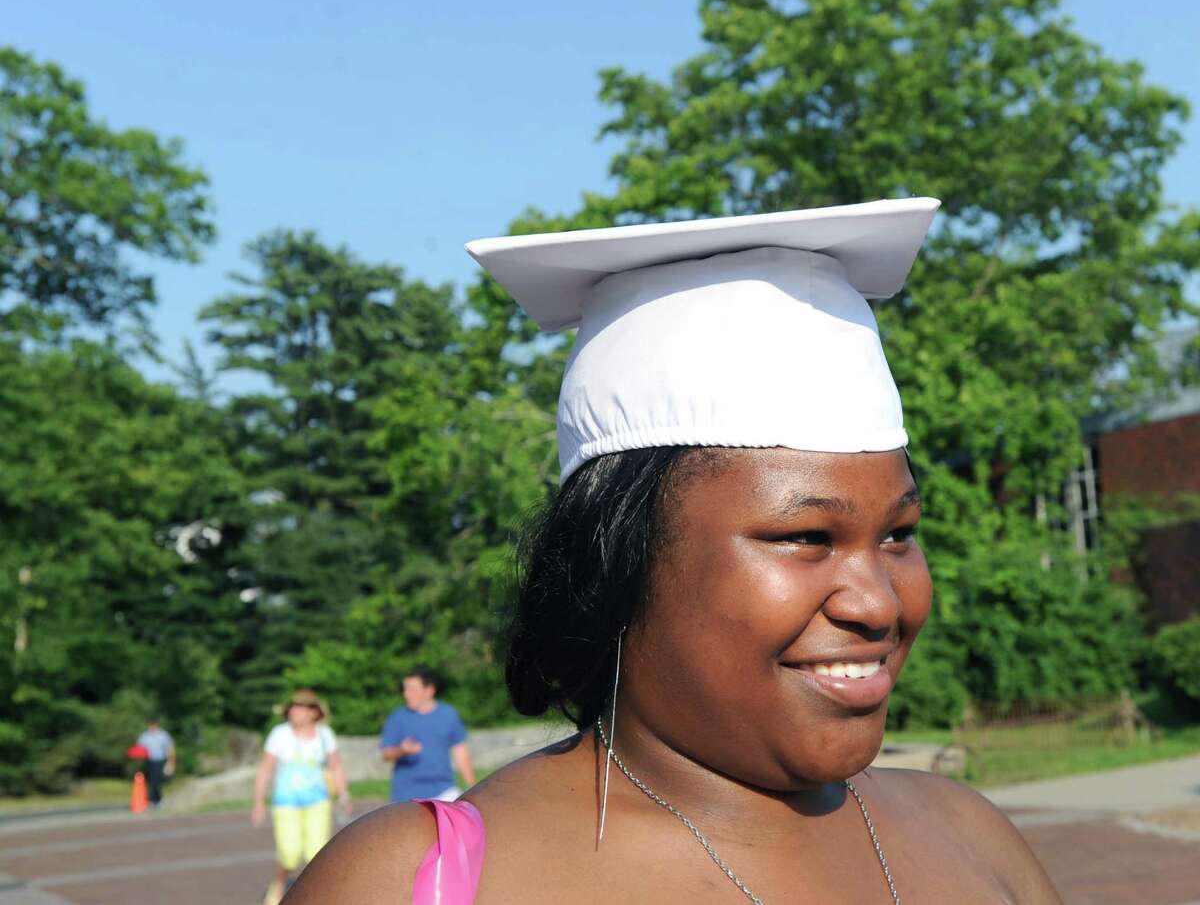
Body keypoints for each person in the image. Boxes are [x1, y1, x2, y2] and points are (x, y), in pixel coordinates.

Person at [287, 199, 1062, 903]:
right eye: (804, 538)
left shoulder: (971, 839)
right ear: (614, 562)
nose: (880, 603)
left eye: (897, 534)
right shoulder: (415, 880)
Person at [253, 688, 351, 905]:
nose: (293, 712)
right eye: (292, 708)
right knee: (289, 853)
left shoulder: (325, 734)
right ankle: (279, 882)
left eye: (299, 708)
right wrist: (258, 802)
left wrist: (344, 794)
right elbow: (265, 769)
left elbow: (336, 766)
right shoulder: (279, 734)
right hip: (285, 803)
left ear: (313, 712)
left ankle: (314, 895)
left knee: (316, 853)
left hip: (318, 801)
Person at [379, 667, 477, 803]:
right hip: (406, 796)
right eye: (405, 689)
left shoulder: (448, 714)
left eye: (412, 689)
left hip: (444, 791)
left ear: (429, 690)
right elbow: (386, 754)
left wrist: (471, 786)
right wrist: (401, 750)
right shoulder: (397, 718)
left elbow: (460, 752)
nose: (406, 694)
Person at [135, 718, 175, 808]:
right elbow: (140, 749)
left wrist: (170, 762)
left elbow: (169, 749)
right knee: (151, 780)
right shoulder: (144, 736)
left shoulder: (163, 735)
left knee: (156, 780)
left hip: (160, 760)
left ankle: (154, 799)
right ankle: (155, 799)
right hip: (149, 761)